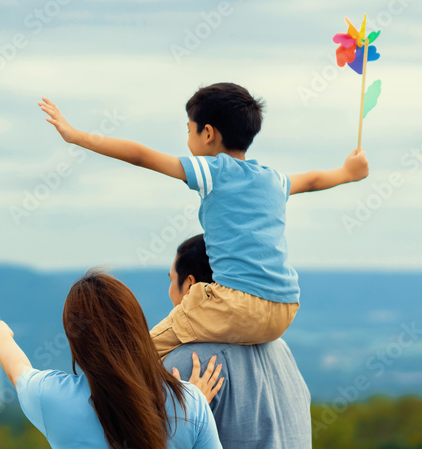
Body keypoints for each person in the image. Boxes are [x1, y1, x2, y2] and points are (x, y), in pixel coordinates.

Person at [39, 83, 369, 356]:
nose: (187, 140)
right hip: (285, 308)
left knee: (141, 353)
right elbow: (311, 181)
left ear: (208, 133)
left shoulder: (213, 171)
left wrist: (75, 136)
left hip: (238, 305)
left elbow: (140, 155)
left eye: (189, 131)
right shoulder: (272, 179)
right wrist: (347, 173)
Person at [0, 269, 231, 449]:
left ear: (75, 339)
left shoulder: (51, 397)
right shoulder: (189, 402)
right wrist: (191, 409)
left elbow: (18, 370)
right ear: (137, 326)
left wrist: (1, 335)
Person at [165, 235, 313, 449]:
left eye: (171, 280)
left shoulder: (187, 361)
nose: (169, 291)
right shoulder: (279, 347)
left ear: (191, 287)